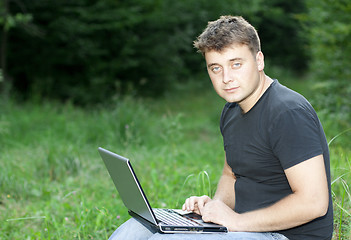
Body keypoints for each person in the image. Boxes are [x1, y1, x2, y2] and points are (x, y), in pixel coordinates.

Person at [108, 15, 333, 240]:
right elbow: (231, 175)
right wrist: (213, 209)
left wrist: (236, 221)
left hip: (283, 235)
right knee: (133, 230)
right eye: (216, 68)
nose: (226, 78)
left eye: (236, 64)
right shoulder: (232, 111)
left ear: (259, 61)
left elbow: (314, 202)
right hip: (245, 227)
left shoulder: (287, 112)